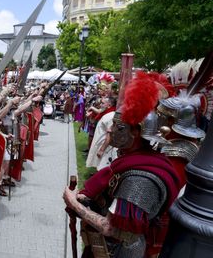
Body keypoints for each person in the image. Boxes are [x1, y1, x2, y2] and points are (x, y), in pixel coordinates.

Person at [63, 72, 182, 258]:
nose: (110, 129)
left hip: (118, 252)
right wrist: (86, 200)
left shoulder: (140, 180)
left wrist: (74, 204)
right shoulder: (131, 161)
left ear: (135, 132)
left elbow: (114, 229)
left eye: (118, 126)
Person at [85, 97, 117, 170]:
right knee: (99, 164)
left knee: (103, 165)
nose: (100, 105)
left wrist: (102, 149)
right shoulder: (106, 114)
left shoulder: (111, 116)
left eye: (103, 103)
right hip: (100, 142)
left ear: (109, 105)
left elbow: (110, 133)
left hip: (105, 146)